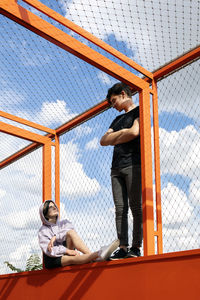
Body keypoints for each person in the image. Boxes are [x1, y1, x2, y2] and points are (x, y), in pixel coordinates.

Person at [100, 82, 142, 260]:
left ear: (123, 94)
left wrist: (115, 137)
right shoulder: (116, 120)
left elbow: (134, 132)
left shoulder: (140, 111)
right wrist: (123, 132)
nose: (113, 105)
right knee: (120, 208)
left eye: (114, 100)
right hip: (115, 168)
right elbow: (103, 140)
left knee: (135, 206)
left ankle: (136, 247)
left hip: (133, 163)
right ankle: (123, 247)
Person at [38, 200, 119, 269]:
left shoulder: (64, 223)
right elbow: (49, 251)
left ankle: (94, 255)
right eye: (51, 207)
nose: (55, 207)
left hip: (67, 250)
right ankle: (99, 254)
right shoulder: (43, 231)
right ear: (45, 214)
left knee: (71, 232)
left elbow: (70, 231)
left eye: (54, 205)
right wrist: (67, 251)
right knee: (72, 259)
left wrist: (55, 237)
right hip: (53, 258)